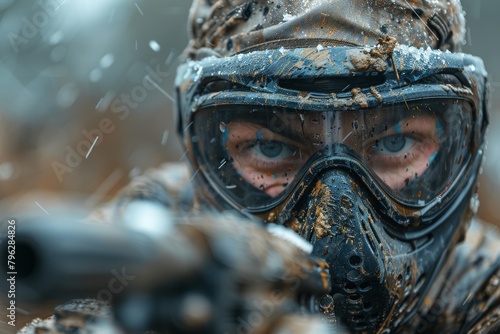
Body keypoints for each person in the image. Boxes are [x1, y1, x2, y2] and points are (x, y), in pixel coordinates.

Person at [18, 0, 500, 333]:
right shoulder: (159, 249)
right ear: (201, 153)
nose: (334, 214)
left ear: (464, 144)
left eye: (395, 141)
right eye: (270, 149)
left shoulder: (478, 287)